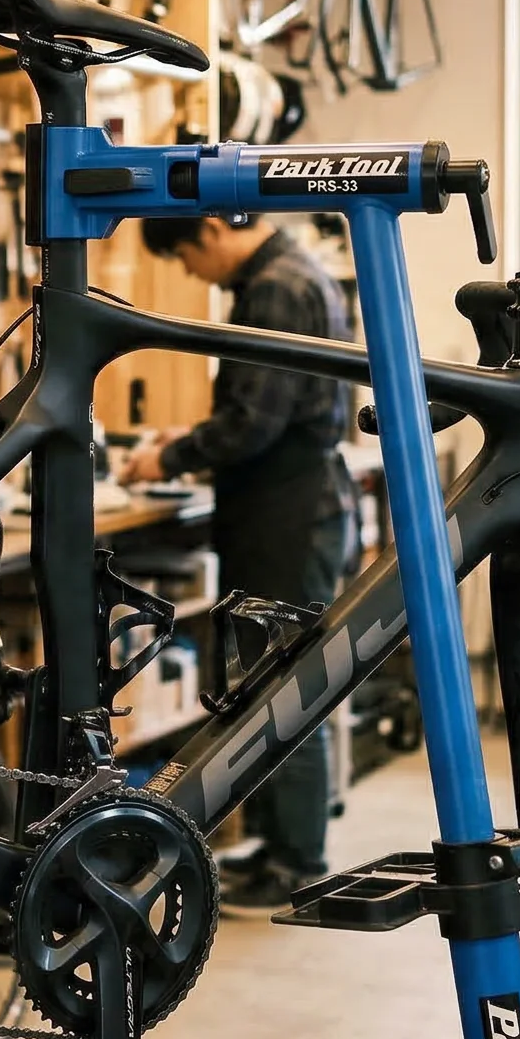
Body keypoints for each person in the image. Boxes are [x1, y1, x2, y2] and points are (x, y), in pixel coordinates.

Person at [117, 211, 355, 908]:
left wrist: (170, 456)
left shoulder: (275, 288)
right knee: (268, 683)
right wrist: (189, 439)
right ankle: (281, 845)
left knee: (284, 686)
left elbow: (254, 422)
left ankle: (296, 861)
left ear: (211, 231)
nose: (194, 274)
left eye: (187, 259)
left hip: (288, 512)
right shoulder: (295, 272)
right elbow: (264, 408)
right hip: (294, 504)